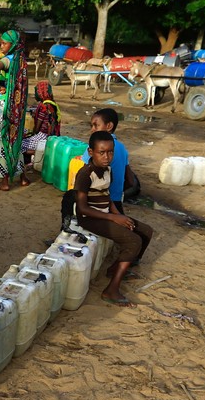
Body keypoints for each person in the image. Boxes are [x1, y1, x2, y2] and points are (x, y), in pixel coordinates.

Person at [67, 131, 153, 307]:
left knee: (146, 231)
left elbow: (107, 197)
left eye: (111, 152)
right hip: (89, 218)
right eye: (102, 152)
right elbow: (82, 208)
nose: (107, 157)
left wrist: (118, 215)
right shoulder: (85, 174)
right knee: (133, 241)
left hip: (106, 213)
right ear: (91, 152)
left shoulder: (108, 170)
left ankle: (119, 267)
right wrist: (112, 217)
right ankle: (111, 290)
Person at [0, 30, 30, 190]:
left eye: (4, 43)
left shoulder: (7, 60)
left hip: (5, 108)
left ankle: (4, 182)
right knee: (16, 139)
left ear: (13, 45)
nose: (1, 46)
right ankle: (23, 177)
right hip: (18, 109)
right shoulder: (23, 61)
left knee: (2, 141)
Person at [89, 108, 140, 212]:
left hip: (96, 204)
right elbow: (130, 181)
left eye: (96, 125)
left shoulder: (94, 149)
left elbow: (84, 177)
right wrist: (116, 192)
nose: (92, 129)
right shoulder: (122, 148)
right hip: (116, 202)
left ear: (109, 126)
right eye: (92, 126)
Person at [23, 81, 61, 170]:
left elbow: (37, 128)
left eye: (36, 91)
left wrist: (32, 133)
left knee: (20, 144)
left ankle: (41, 154)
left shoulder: (43, 106)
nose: (35, 94)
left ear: (41, 93)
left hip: (43, 137)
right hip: (53, 137)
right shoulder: (52, 104)